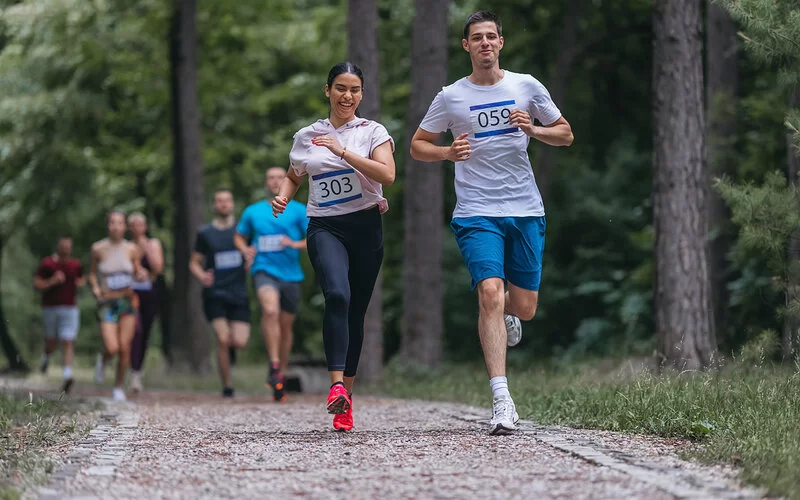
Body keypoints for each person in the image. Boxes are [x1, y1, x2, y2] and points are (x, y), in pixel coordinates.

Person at [409, 11, 574, 435]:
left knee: (524, 308)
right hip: (476, 211)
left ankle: (509, 319)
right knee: (489, 293)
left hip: (524, 209)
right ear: (466, 46)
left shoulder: (526, 86)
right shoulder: (450, 96)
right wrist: (447, 153)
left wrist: (535, 130)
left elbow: (566, 133)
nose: (484, 44)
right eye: (476, 38)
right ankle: (502, 399)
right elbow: (417, 146)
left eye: (491, 37)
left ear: (501, 42)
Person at [273, 62, 395, 431]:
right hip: (325, 227)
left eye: (355, 89)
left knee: (355, 312)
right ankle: (335, 384)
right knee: (337, 296)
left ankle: (346, 402)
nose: (348, 96)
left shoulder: (373, 131)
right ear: (328, 91)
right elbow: (295, 175)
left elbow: (387, 175)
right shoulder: (308, 135)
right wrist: (282, 196)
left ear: (362, 94)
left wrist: (342, 152)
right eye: (341, 88)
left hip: (365, 226)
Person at [235, 167, 309, 402]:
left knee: (286, 326)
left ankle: (280, 374)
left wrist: (293, 244)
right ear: (267, 182)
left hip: (291, 274)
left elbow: (314, 238)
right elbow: (239, 236)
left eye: (280, 177)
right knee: (270, 310)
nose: (276, 181)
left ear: (286, 180)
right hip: (263, 269)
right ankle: (275, 364)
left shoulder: (298, 210)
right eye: (271, 178)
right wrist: (245, 249)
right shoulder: (253, 211)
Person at [190, 189, 251, 398]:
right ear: (214, 205)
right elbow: (194, 263)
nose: (224, 204)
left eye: (227, 200)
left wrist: (251, 262)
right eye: (219, 201)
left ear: (232, 204)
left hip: (239, 292)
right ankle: (227, 386)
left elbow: (251, 253)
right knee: (223, 339)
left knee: (239, 341)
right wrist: (202, 276)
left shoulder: (242, 231)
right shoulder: (205, 233)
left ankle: (230, 354)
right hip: (215, 293)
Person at [91, 211, 146, 402]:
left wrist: (141, 275)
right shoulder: (98, 248)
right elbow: (91, 274)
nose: (116, 226)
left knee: (124, 347)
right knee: (112, 346)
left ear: (125, 227)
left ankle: (118, 387)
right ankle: (104, 359)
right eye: (112, 222)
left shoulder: (132, 248)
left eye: (120, 223)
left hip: (127, 302)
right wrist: (96, 288)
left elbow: (137, 270)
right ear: (108, 226)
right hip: (107, 303)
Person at [34, 235, 86, 393]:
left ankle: (67, 374)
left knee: (67, 339)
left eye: (68, 246)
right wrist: (52, 281)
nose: (66, 249)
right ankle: (46, 358)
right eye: (63, 246)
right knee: (51, 341)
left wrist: (80, 283)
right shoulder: (47, 264)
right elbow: (37, 284)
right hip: (50, 308)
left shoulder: (75, 264)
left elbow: (82, 278)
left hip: (70, 308)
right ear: (58, 246)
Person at [127, 212, 164, 393]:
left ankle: (137, 370)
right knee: (136, 330)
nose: (137, 228)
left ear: (145, 226)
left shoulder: (153, 244)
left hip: (149, 293)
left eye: (140, 224)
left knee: (145, 332)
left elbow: (158, 268)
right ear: (129, 228)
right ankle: (133, 372)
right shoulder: (126, 246)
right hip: (130, 293)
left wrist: (145, 249)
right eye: (133, 224)